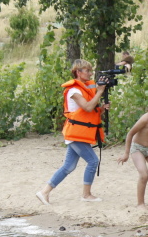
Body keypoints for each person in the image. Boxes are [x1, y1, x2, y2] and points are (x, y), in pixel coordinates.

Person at [36, 59, 109, 205]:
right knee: (93, 161)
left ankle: (44, 192)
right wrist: (100, 91)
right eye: (86, 70)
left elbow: (89, 112)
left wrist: (101, 109)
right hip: (75, 133)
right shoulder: (74, 91)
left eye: (90, 70)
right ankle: (86, 195)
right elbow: (87, 107)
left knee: (68, 167)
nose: (90, 73)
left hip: (78, 132)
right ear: (78, 72)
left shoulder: (84, 90)